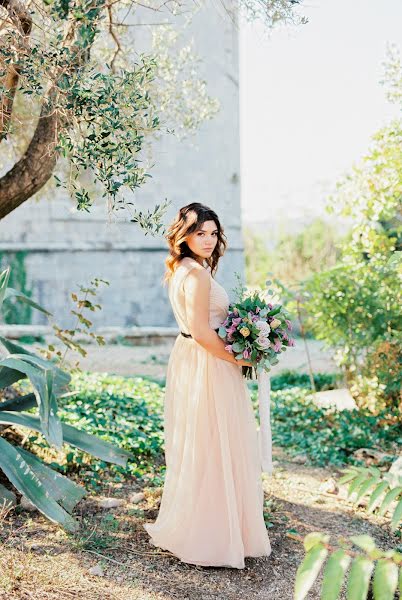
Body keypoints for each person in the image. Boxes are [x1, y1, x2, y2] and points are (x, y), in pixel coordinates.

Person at [143, 202, 271, 569]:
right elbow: (201, 332)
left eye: (213, 234)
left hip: (190, 358)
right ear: (184, 234)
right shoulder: (196, 276)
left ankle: (206, 526)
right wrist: (241, 358)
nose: (209, 240)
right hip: (209, 361)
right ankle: (213, 536)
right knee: (218, 442)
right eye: (200, 233)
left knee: (203, 441)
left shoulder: (181, 268)